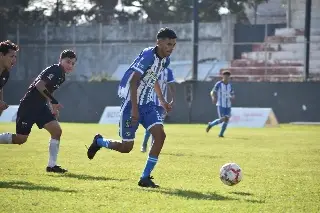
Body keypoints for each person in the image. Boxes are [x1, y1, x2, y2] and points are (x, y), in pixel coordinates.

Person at [87, 27, 177, 188]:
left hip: (148, 104)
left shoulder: (165, 60)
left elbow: (153, 77)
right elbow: (133, 81)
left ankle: (145, 177)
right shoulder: (149, 56)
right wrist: (135, 109)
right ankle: (99, 141)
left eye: (174, 45)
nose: (171, 48)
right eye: (168, 44)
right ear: (159, 42)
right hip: (131, 104)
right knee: (126, 147)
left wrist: (162, 100)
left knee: (160, 136)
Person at [0, 49, 77, 173]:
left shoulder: (61, 75)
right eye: (68, 62)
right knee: (21, 139)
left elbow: (48, 90)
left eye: (73, 64)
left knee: (56, 131)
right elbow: (40, 86)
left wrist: (52, 106)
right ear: (60, 60)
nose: (70, 65)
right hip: (29, 105)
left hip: (40, 107)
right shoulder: (56, 70)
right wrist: (53, 101)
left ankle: (52, 166)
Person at [140, 67, 175, 153]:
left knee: (158, 125)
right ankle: (144, 144)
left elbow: (171, 85)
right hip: (150, 102)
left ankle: (152, 146)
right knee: (151, 125)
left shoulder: (168, 71)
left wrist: (173, 98)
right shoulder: (152, 69)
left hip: (162, 105)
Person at [206, 70, 235, 137]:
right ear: (223, 76)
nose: (226, 77)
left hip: (228, 105)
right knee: (223, 119)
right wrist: (213, 97)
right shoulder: (218, 84)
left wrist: (232, 97)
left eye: (228, 76)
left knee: (226, 119)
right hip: (221, 105)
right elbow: (213, 91)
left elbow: (233, 94)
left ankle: (221, 134)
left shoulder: (230, 85)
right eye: (225, 76)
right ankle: (211, 124)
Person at [0, 40, 18, 115]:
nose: (14, 60)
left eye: (15, 57)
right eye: (11, 56)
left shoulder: (5, 73)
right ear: (1, 55)